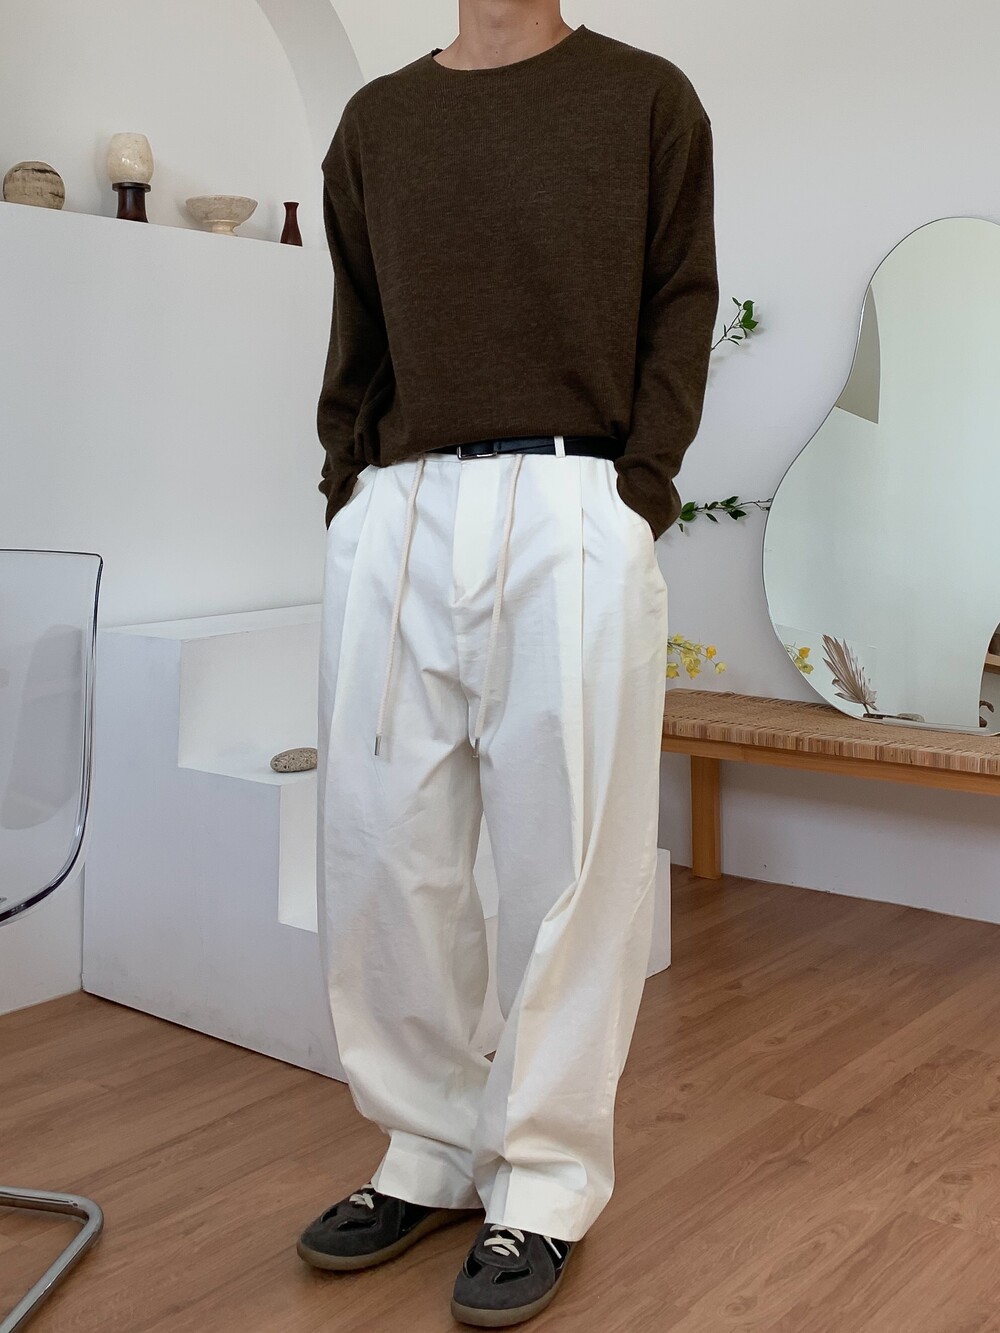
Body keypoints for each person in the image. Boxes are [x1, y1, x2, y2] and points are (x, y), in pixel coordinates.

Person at [299, 2, 719, 1325]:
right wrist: (347, 492)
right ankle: (426, 1146)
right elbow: (359, 328)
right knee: (381, 845)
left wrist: (634, 495)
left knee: (569, 856)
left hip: (570, 496)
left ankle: (541, 1174)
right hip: (401, 502)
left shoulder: (646, 98)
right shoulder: (377, 121)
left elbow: (681, 301)